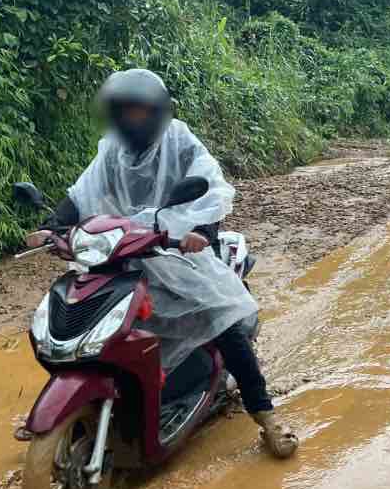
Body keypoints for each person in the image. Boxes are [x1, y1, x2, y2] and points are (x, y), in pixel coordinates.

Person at [26, 68, 298, 458]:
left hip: (174, 250)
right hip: (118, 253)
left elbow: (210, 187)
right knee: (82, 322)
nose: (128, 119)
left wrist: (202, 229)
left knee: (220, 320)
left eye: (136, 111)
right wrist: (51, 226)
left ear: (156, 112)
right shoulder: (112, 149)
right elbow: (81, 196)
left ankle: (265, 415)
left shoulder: (181, 143)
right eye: (121, 111)